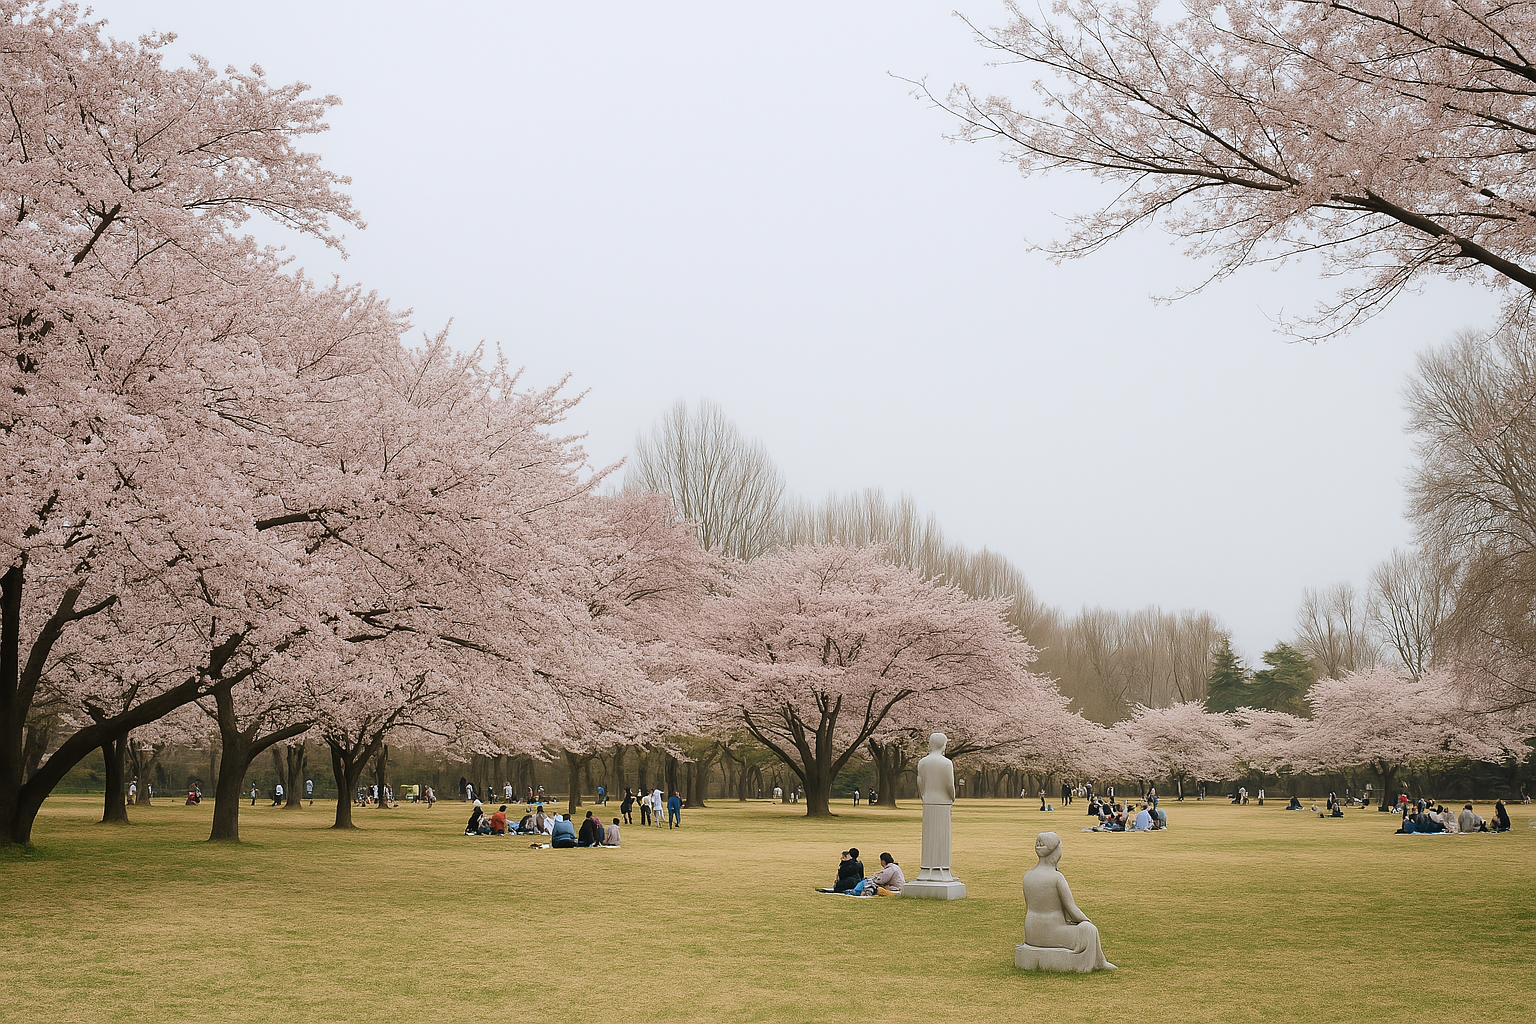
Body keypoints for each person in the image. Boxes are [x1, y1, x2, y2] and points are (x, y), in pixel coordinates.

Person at [1022, 832, 1115, 970]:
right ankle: (1099, 963)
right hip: (1051, 932)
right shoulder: (1056, 877)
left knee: (1085, 929)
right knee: (1089, 930)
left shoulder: (1028, 876)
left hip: (1031, 932)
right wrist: (1087, 921)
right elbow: (1072, 909)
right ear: (1055, 851)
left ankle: (1099, 962)